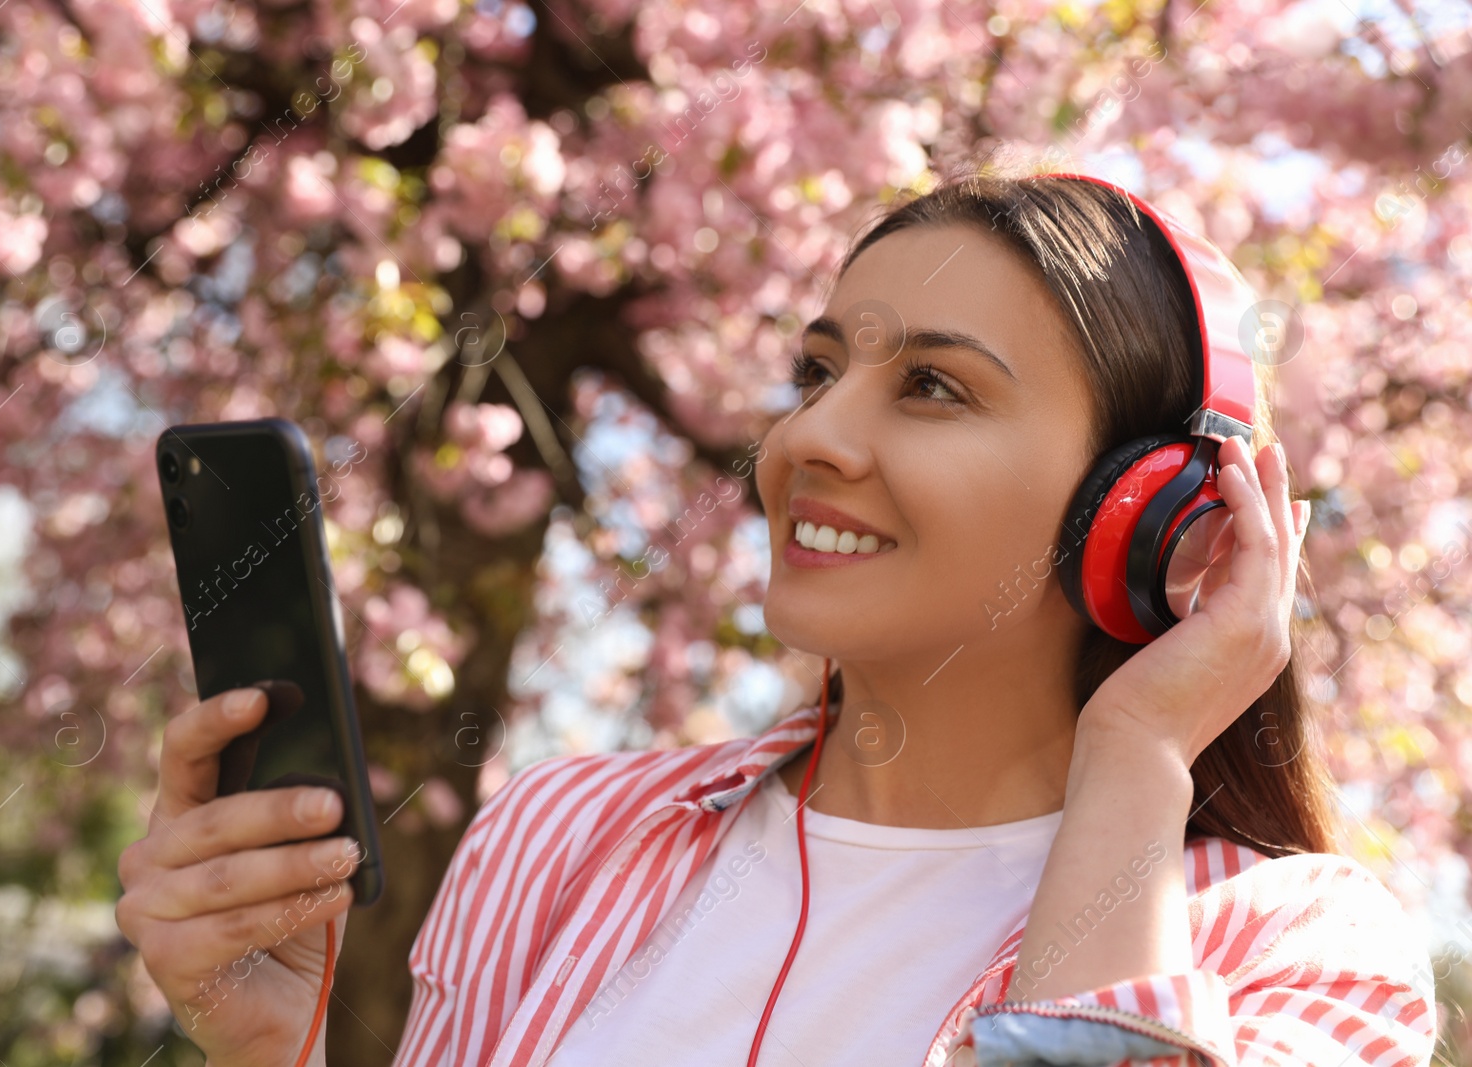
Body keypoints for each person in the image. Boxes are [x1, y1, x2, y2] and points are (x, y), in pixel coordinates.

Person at [115, 162, 1439, 1067]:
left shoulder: (1297, 952)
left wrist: (1140, 757)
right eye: (816, 369)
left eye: (932, 388)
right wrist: (264, 1047)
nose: (809, 436)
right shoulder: (565, 836)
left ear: (1149, 514)